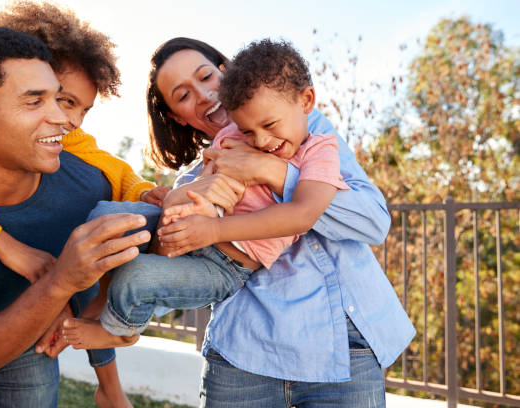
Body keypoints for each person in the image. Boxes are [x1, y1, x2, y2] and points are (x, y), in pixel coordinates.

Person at [0, 3, 164, 406]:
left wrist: (101, 313)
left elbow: (109, 169)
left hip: (21, 318)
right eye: (39, 100)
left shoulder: (79, 171)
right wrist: (30, 262)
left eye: (70, 105)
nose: (67, 120)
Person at [145, 37, 415, 407]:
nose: (205, 95)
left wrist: (272, 171)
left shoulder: (313, 135)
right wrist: (176, 212)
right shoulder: (193, 183)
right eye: (183, 95)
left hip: (342, 351)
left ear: (225, 72)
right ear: (178, 115)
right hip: (242, 357)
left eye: (206, 76)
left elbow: (372, 223)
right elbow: (181, 272)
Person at [60, 39, 350, 347]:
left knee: (136, 276)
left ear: (306, 100)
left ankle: (121, 331)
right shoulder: (232, 134)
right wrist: (188, 202)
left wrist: (213, 227)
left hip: (225, 265)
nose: (261, 140)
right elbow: (204, 182)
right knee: (107, 216)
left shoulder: (320, 149)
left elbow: (303, 215)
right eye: (249, 130)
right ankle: (81, 293)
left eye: (268, 125)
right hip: (195, 230)